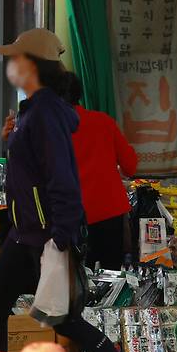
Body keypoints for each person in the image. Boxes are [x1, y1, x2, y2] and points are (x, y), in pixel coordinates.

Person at [0, 28, 164, 352]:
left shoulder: (46, 113)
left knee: (66, 320)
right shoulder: (36, 110)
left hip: (45, 234)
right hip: (30, 232)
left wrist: (61, 236)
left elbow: (62, 179)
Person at [65, 73, 137, 270]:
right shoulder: (103, 121)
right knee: (112, 276)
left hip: (71, 215)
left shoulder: (52, 129)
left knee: (75, 277)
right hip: (110, 211)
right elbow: (130, 165)